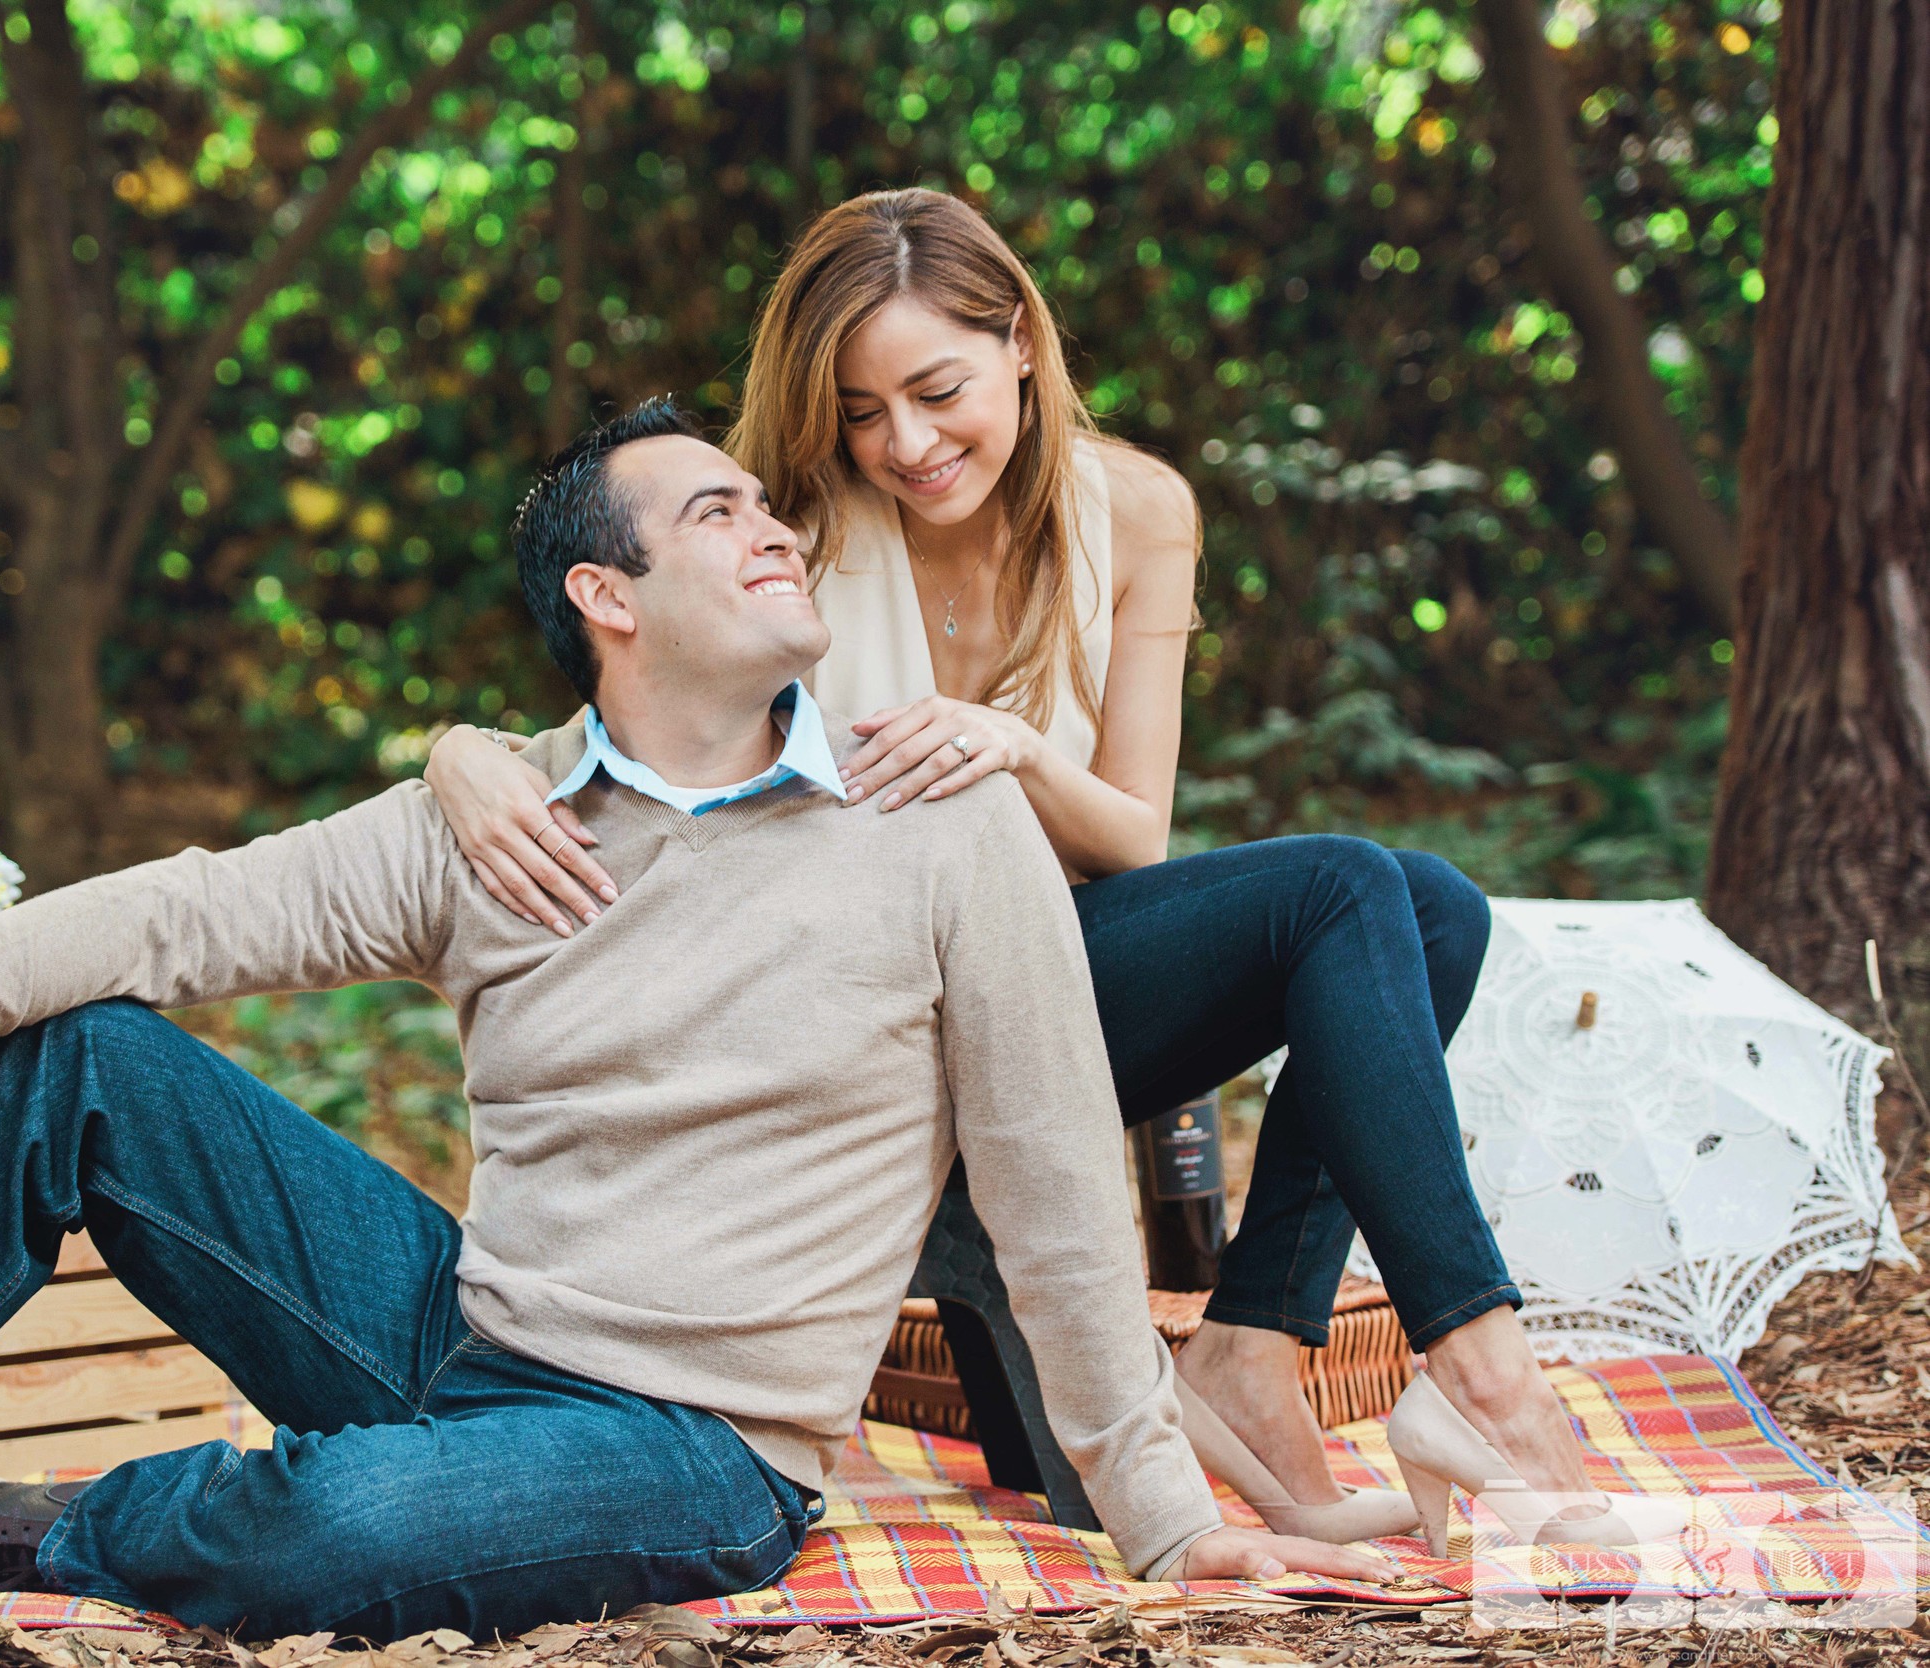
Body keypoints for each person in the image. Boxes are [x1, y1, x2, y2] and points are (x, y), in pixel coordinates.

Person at [0, 401, 1397, 1635]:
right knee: (73, 1053)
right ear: (603, 599)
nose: (773, 526)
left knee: (334, 1534)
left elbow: (1055, 1178)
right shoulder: (493, 818)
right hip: (448, 1324)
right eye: (713, 514)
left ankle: (80, 1528)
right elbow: (178, 918)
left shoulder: (934, 811)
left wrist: (1159, 1526)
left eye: (762, 507)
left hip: (701, 1447)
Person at [423, 190, 1675, 1554]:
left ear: (1019, 340)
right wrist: (459, 752)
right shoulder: (781, 521)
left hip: (1035, 987)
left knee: (1429, 905)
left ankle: (1252, 1352)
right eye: (860, 409)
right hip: (864, 1022)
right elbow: (614, 682)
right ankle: (1491, 1386)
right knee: (1349, 890)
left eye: (936, 388)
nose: (905, 442)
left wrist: (1009, 747)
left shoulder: (1136, 511)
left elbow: (1134, 832)